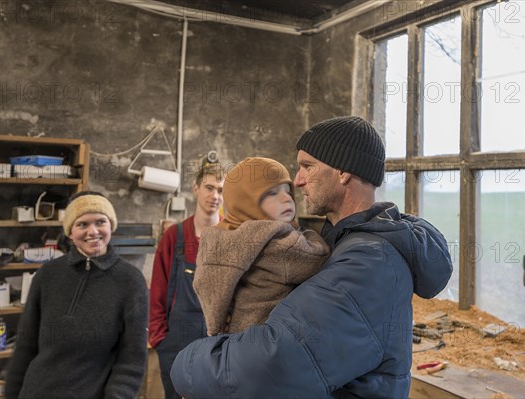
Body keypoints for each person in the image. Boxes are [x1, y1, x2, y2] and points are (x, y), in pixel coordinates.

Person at [170, 116, 453, 398]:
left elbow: (274, 363)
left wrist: (187, 364)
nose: (298, 180)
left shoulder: (369, 263)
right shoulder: (341, 241)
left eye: (308, 166)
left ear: (342, 172)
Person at [5, 191, 148, 399]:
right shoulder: (47, 275)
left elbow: (132, 358)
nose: (93, 231)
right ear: (70, 232)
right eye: (82, 224)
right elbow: (25, 347)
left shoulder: (131, 281)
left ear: (111, 226)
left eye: (101, 221)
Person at [194, 157, 329, 336]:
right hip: (268, 340)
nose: (286, 199)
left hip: (237, 337)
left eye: (288, 191)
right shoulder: (276, 243)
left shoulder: (221, 237)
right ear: (246, 202)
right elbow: (318, 257)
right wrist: (309, 233)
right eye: (272, 194)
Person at [148, 160, 224, 399]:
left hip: (218, 343)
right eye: (209, 187)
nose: (215, 195)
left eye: (221, 190)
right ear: (196, 188)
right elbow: (157, 293)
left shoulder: (230, 237)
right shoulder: (174, 237)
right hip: (176, 344)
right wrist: (160, 339)